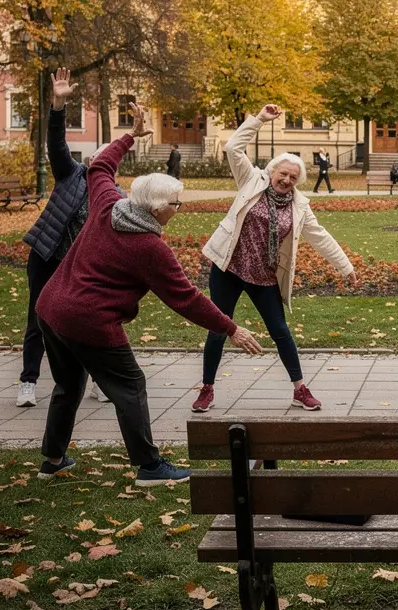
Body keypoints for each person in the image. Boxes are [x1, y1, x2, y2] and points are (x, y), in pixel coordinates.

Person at [35, 102, 263, 484]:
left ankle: (52, 460)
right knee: (130, 385)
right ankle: (149, 466)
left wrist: (130, 137)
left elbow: (98, 167)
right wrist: (230, 329)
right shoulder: (150, 248)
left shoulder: (109, 204)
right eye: (177, 204)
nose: (179, 209)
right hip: (89, 319)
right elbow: (185, 298)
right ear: (158, 209)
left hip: (51, 307)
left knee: (68, 384)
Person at [192, 106, 357, 413]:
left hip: (264, 276)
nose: (287, 180)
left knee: (280, 330)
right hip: (229, 267)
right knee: (218, 327)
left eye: (293, 177)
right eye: (283, 173)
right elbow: (232, 147)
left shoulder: (299, 206)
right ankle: (207, 389)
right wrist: (259, 120)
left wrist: (345, 266)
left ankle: (300, 389)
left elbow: (319, 236)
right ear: (271, 171)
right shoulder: (251, 180)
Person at [18, 69, 113, 408]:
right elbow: (56, 144)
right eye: (99, 159)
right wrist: (58, 105)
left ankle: (97, 381)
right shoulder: (71, 174)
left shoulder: (114, 195)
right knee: (38, 319)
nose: (103, 166)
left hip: (79, 267)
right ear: (92, 161)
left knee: (87, 321)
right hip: (47, 256)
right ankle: (28, 381)